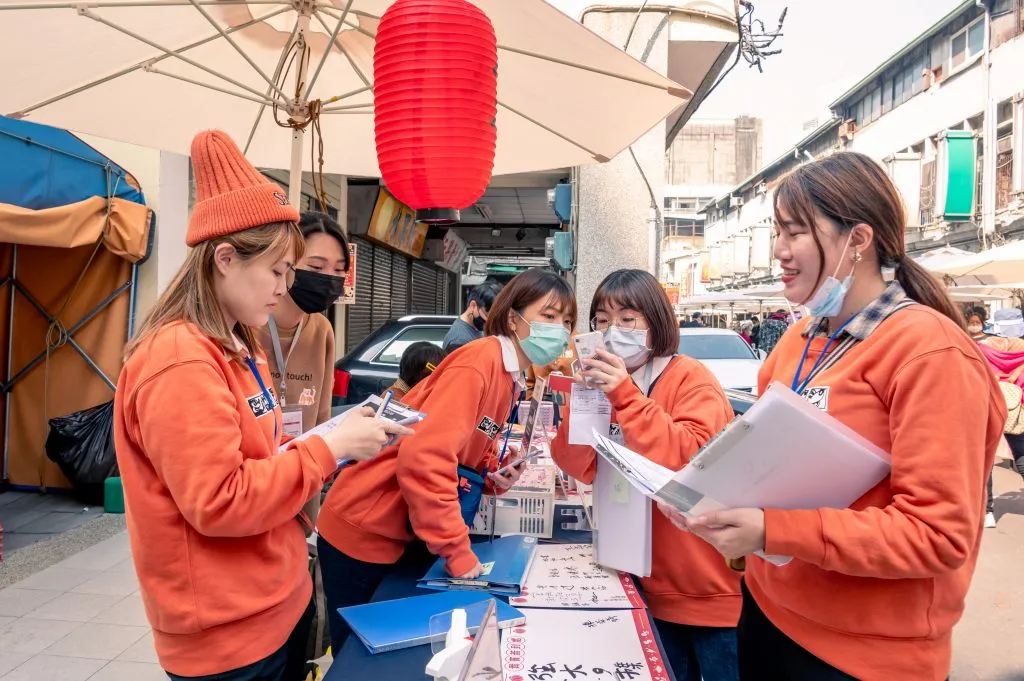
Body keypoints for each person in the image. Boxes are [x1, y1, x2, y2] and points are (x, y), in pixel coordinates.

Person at [661, 152, 1005, 681]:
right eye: (778, 232)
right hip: (767, 611)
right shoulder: (799, 339)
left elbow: (937, 534)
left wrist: (773, 531)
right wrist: (710, 503)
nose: (778, 251)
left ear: (858, 240)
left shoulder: (930, 353)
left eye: (795, 232)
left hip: (864, 653)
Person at [112, 130, 411, 681]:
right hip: (229, 632)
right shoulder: (179, 360)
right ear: (224, 259)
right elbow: (220, 501)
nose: (284, 288)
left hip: (277, 597)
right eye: (276, 271)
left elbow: (263, 455)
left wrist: (340, 442)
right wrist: (326, 448)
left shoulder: (236, 346)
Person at [315, 268, 576, 655]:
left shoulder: (508, 374)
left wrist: (491, 472)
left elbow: (465, 445)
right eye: (549, 316)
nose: (559, 330)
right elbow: (425, 457)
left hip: (400, 528)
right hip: (365, 528)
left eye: (567, 321)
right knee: (361, 657)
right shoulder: (479, 363)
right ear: (511, 317)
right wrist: (457, 551)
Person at [550, 269, 740, 681]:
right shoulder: (611, 384)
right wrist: (585, 403)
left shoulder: (690, 377)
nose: (612, 330)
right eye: (601, 319)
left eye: (628, 319)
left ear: (656, 321)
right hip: (642, 581)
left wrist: (624, 396)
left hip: (705, 588)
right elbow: (576, 465)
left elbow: (691, 458)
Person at [257, 211, 349, 441]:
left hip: (304, 464)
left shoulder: (322, 330)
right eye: (317, 267)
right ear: (284, 264)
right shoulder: (248, 324)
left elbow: (322, 418)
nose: (329, 278)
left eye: (339, 270)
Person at [442, 281, 502, 352]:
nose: (489, 321)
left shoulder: (475, 328)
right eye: (487, 315)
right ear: (473, 306)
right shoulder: (459, 341)